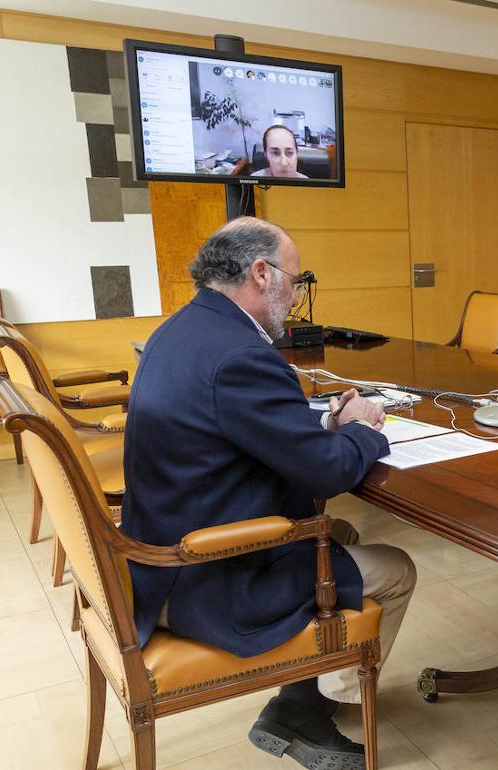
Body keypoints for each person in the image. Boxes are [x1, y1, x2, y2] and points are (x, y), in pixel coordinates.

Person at [122, 217, 415, 770]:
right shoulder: (241, 355)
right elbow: (329, 476)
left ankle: (305, 698)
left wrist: (317, 434)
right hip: (207, 575)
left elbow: (240, 436)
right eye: (297, 280)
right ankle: (302, 710)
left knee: (340, 534)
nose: (297, 295)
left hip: (156, 559)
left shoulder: (180, 330)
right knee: (396, 568)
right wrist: (359, 428)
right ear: (262, 273)